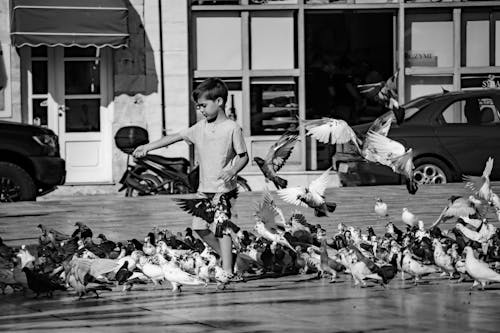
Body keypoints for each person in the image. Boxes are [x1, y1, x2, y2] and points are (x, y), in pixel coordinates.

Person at [133, 78, 249, 278]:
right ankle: (229, 257)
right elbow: (174, 137)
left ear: (219, 102)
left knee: (221, 228)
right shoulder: (199, 127)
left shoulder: (232, 128)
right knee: (199, 228)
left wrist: (233, 171)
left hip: (223, 189)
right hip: (203, 189)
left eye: (203, 105)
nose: (201, 110)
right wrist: (147, 147)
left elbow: (244, 156)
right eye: (198, 106)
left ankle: (228, 271)